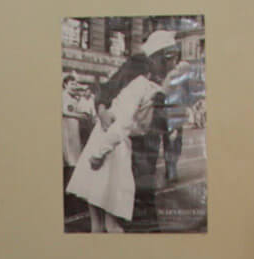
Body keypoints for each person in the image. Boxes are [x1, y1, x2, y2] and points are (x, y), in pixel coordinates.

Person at [65, 30, 177, 233]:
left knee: (107, 220)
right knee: (114, 220)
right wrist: (101, 110)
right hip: (115, 145)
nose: (172, 64)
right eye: (168, 58)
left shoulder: (153, 85)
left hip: (115, 144)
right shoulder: (140, 77)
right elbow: (120, 118)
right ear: (156, 59)